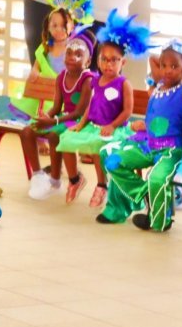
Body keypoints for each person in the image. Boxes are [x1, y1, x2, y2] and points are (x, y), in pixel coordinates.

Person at [98, 41, 182, 231]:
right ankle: (142, 193)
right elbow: (153, 58)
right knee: (110, 157)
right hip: (148, 144)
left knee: (156, 178)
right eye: (164, 66)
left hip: (171, 150)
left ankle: (161, 221)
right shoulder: (157, 87)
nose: (167, 71)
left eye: (174, 67)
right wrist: (171, 60)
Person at [56, 11, 146, 207]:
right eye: (104, 59)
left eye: (114, 60)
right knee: (66, 139)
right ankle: (74, 179)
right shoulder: (96, 81)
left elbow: (127, 112)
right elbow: (91, 106)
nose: (108, 64)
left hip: (113, 128)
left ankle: (101, 185)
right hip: (93, 125)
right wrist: (80, 124)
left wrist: (113, 126)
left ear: (123, 62)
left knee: (98, 146)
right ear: (97, 61)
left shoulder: (124, 84)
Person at [22, 30, 95, 200]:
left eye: (78, 54)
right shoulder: (61, 77)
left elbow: (79, 112)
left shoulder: (88, 80)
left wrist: (53, 120)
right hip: (62, 117)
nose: (71, 57)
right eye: (68, 53)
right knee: (27, 130)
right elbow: (56, 106)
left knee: (55, 134)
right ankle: (38, 175)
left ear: (88, 60)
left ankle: (55, 180)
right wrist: (44, 117)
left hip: (79, 121)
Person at [12, 8, 73, 118]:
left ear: (71, 26)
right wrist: (35, 72)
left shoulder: (73, 49)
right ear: (48, 27)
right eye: (54, 26)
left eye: (63, 26)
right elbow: (36, 66)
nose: (59, 29)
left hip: (62, 98)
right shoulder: (45, 47)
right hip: (43, 94)